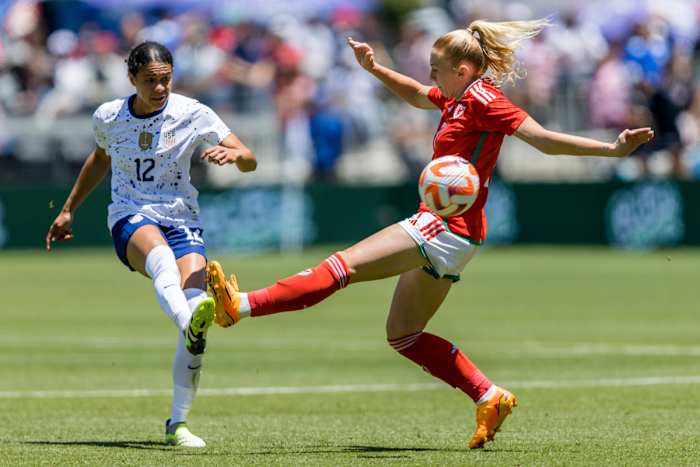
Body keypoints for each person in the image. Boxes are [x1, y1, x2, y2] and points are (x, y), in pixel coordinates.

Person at [207, 19, 653, 449]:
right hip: (462, 237)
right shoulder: (457, 97)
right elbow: (420, 95)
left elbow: (541, 138)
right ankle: (489, 396)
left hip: (442, 225)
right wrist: (376, 68)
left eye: (436, 68)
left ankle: (239, 308)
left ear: (461, 71)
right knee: (404, 334)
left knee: (342, 266)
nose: (430, 75)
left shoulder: (484, 100)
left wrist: (611, 150)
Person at [45, 41, 257, 447]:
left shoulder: (192, 112)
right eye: (150, 81)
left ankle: (178, 423)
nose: (160, 88)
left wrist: (237, 157)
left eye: (165, 79)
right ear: (131, 78)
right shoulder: (109, 116)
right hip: (129, 213)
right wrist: (69, 208)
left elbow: (249, 156)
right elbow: (100, 158)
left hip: (183, 219)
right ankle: (187, 323)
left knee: (197, 309)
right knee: (161, 262)